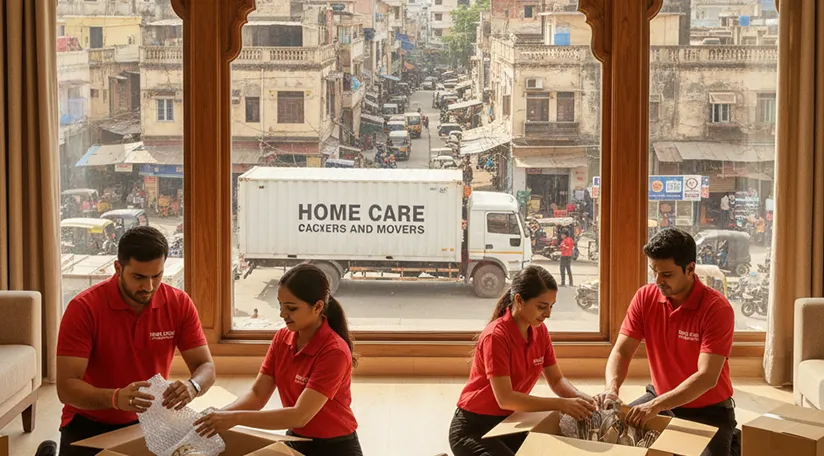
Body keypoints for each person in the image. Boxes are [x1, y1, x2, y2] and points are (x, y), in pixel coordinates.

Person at [56, 226, 216, 456]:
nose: (148, 287)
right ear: (118, 268)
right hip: (88, 420)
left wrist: (194, 386)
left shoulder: (179, 303)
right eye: (139, 277)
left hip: (150, 421)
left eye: (157, 276)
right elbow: (66, 387)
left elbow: (206, 366)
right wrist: (114, 398)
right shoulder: (83, 309)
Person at [595, 228, 738, 456]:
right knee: (611, 440)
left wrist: (655, 406)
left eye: (667, 274)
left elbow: (707, 377)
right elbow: (622, 351)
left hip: (709, 410)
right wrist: (611, 388)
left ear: (690, 269)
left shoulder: (717, 309)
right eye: (654, 272)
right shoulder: (645, 297)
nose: (658, 280)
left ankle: (731, 441)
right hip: (660, 398)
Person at [194, 264, 363, 456]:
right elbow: (257, 395)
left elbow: (300, 416)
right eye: (280, 305)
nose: (282, 314)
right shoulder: (282, 338)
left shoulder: (334, 352)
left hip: (335, 448)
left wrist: (233, 418)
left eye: (291, 308)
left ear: (317, 307)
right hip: (296, 441)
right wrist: (218, 417)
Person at [449, 265, 596, 456]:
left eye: (551, 306)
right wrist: (561, 404)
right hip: (473, 428)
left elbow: (557, 380)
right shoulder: (496, 336)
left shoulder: (539, 331)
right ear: (519, 300)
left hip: (508, 423)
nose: (548, 314)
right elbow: (506, 399)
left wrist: (578, 397)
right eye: (542, 307)